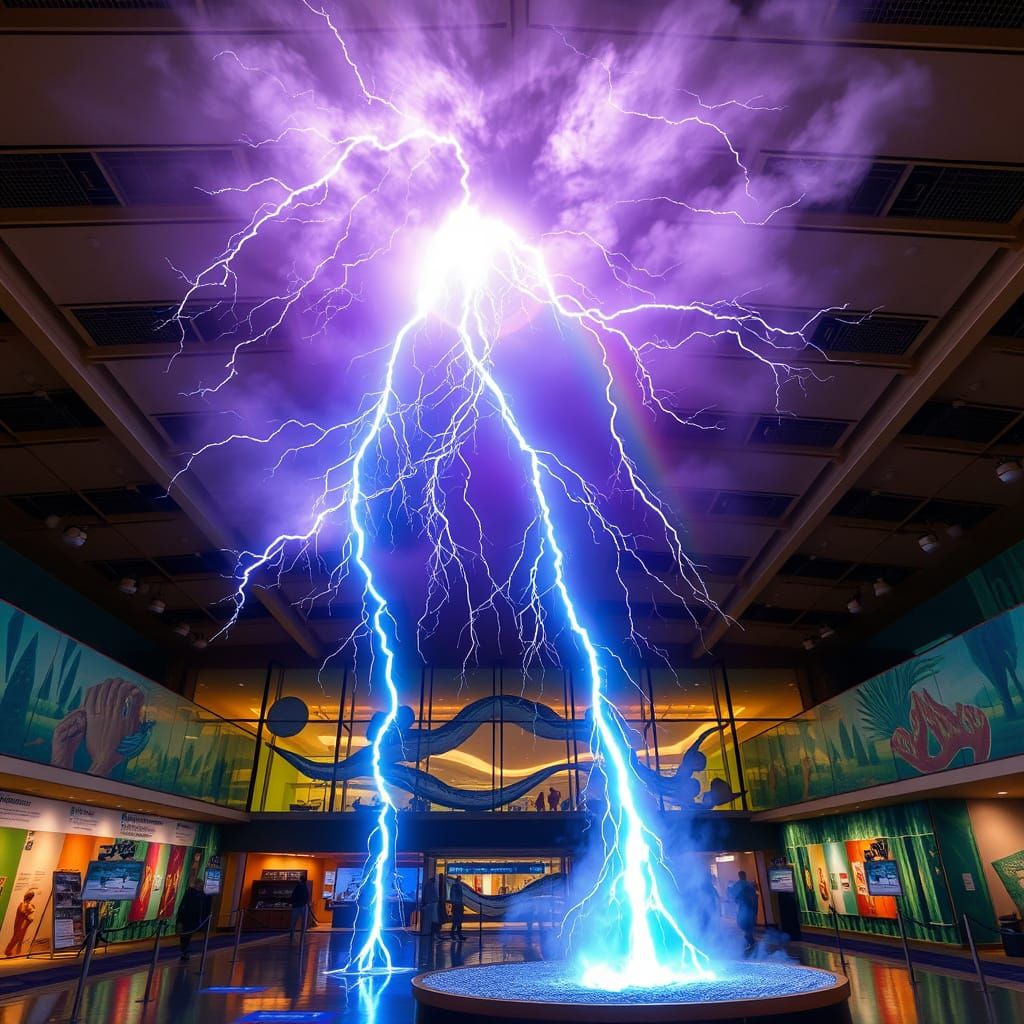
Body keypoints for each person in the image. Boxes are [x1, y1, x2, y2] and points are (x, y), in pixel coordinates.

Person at [175, 882, 208, 962]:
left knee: (186, 936)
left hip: (189, 919)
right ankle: (185, 951)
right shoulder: (193, 895)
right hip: (187, 918)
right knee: (185, 936)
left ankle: (185, 951)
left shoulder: (196, 895)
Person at [728, 871, 759, 953]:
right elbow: (755, 897)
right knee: (749, 926)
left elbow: (734, 897)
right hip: (751, 908)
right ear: (744, 875)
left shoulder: (738, 885)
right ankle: (751, 942)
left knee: (744, 925)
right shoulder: (749, 885)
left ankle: (751, 943)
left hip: (743, 909)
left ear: (739, 876)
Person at [4, 891, 36, 957]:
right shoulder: (23, 904)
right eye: (31, 896)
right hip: (21, 923)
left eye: (32, 896)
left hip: (25, 923)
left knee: (20, 938)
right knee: (16, 937)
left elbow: (28, 911)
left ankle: (17, 952)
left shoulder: (29, 904)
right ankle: (7, 951)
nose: (31, 897)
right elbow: (22, 912)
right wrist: (27, 917)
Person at [447, 876, 466, 941]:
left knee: (458, 921)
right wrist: (455, 903)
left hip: (458, 905)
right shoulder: (456, 887)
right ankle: (454, 934)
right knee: (456, 921)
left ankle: (457, 934)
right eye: (459, 879)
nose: (460, 881)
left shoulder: (458, 887)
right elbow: (454, 896)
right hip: (457, 906)